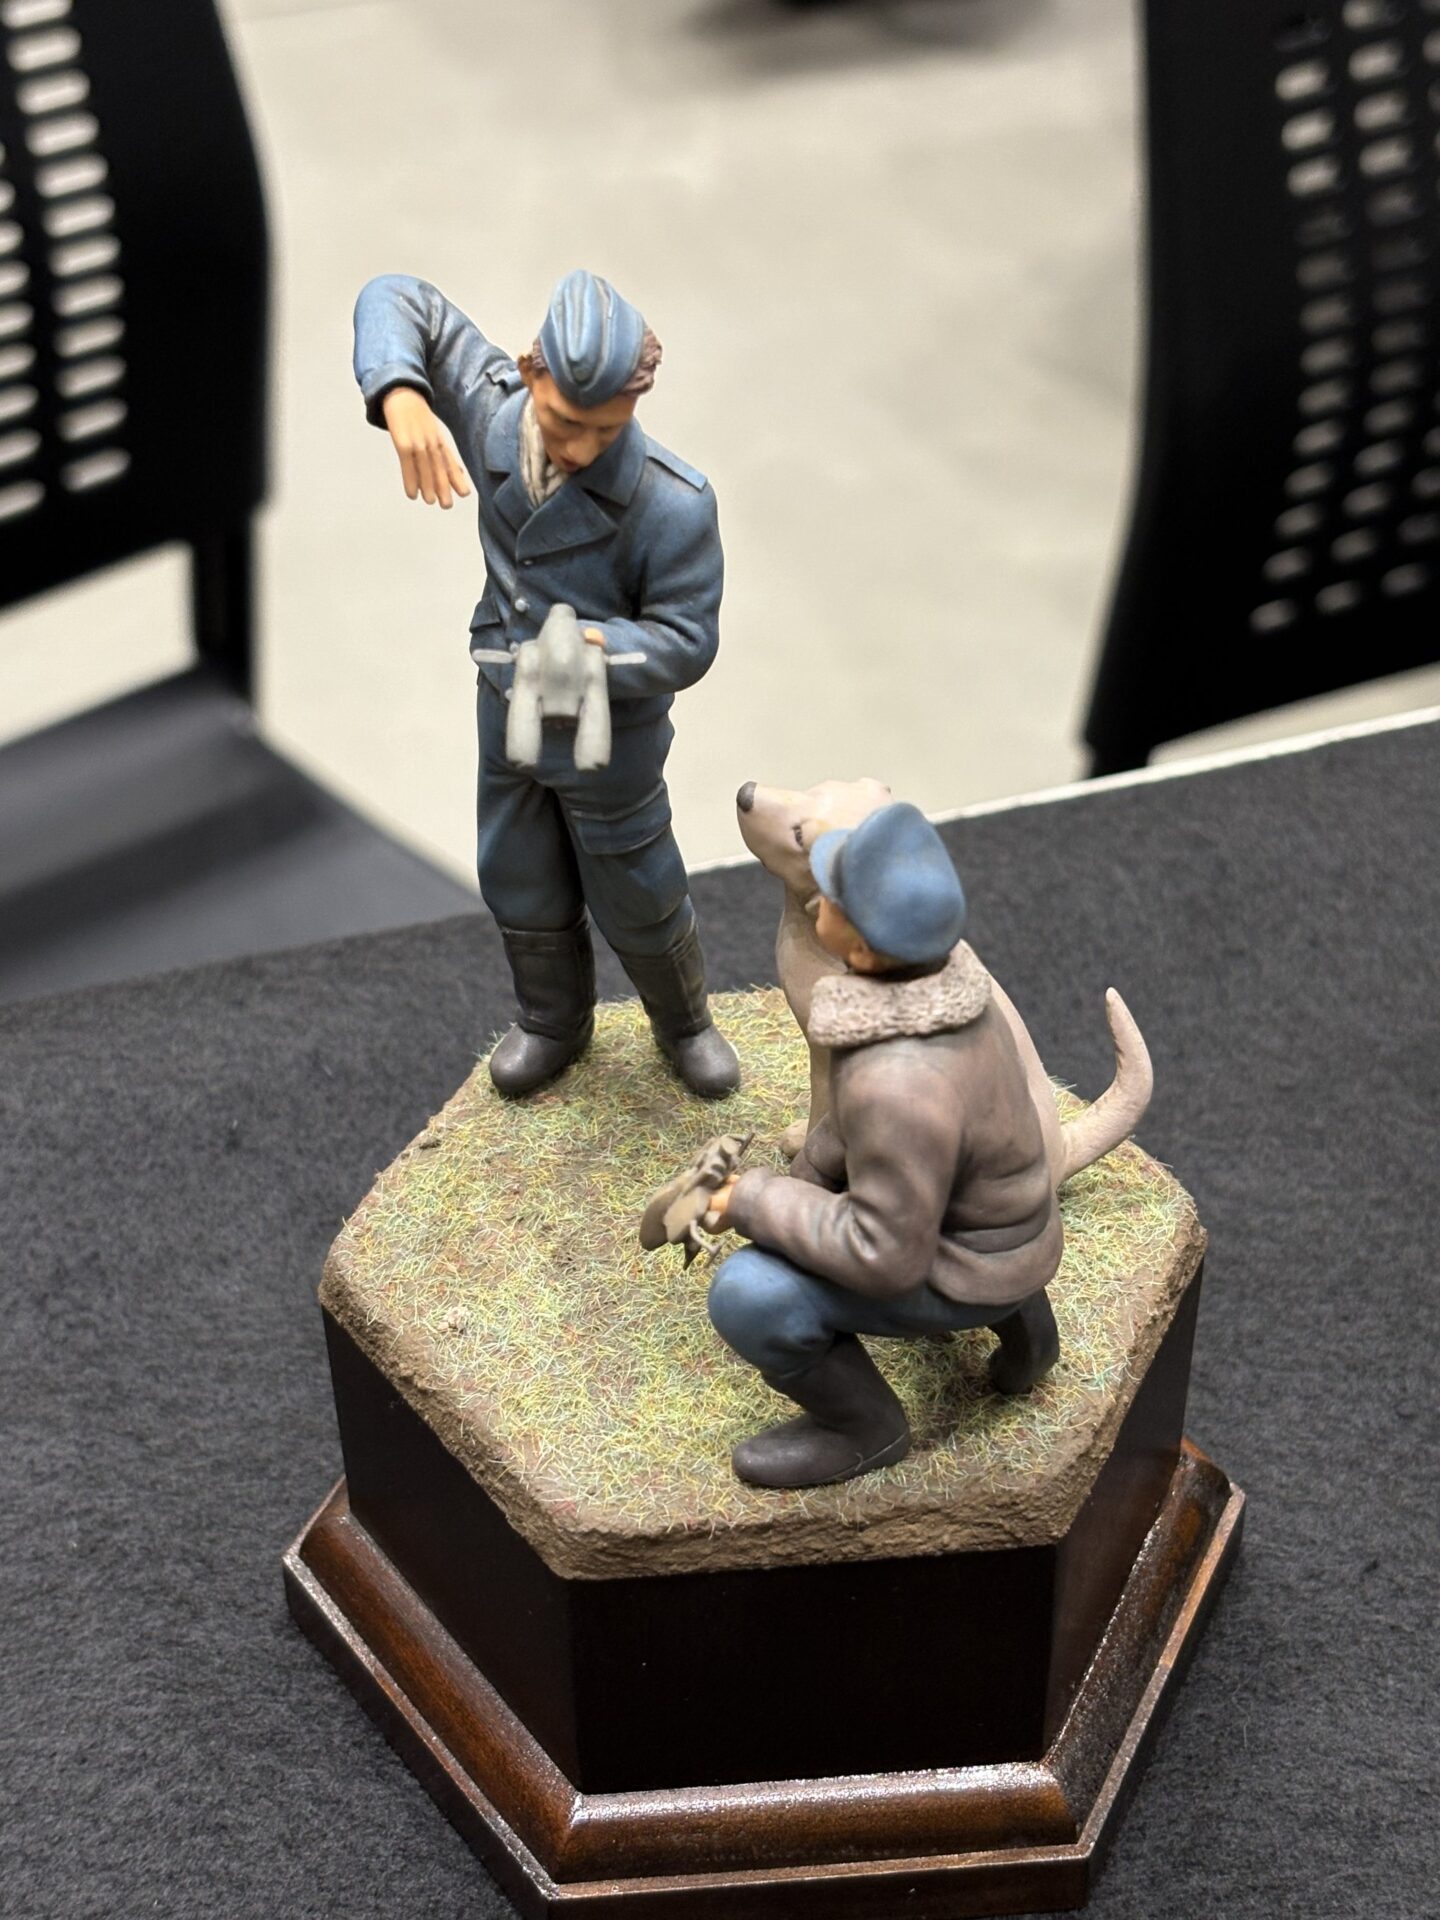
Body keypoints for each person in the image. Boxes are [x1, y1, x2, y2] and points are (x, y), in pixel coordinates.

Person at [353, 268, 739, 1098]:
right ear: (532, 376)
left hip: (609, 740)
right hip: (508, 716)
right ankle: (552, 1021)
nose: (582, 448)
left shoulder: (672, 504)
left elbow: (688, 640)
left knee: (638, 890)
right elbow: (399, 298)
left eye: (606, 429)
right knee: (518, 875)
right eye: (565, 422)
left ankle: (684, 1024)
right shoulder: (492, 412)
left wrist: (592, 647)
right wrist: (400, 392)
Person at [702, 804, 1062, 1488]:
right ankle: (1030, 1333)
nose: (819, 899)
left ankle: (864, 1429)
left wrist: (752, 1200)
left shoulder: (895, 1083)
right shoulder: (953, 993)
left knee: (750, 1294)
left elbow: (884, 1254)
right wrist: (806, 1182)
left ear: (862, 950)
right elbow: (850, 1129)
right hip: (1014, 1236)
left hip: (961, 1269)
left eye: (832, 898)